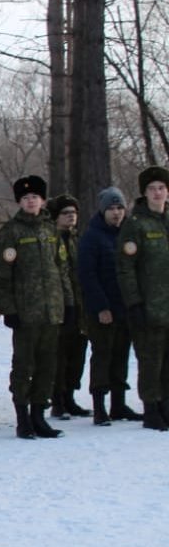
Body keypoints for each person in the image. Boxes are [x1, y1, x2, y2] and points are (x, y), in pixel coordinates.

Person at [0, 175, 72, 439]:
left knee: (47, 365)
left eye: (35, 197)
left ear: (42, 200)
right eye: (25, 198)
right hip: (26, 314)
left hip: (52, 311)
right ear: (19, 202)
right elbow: (1, 277)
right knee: (24, 366)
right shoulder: (11, 232)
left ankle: (39, 415)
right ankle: (23, 418)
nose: (30, 201)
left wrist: (68, 302)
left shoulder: (51, 230)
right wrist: (9, 309)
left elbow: (61, 269)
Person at [79, 187, 140, 425]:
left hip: (126, 306)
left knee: (121, 355)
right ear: (103, 211)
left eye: (120, 208)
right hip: (103, 309)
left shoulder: (128, 234)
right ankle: (99, 406)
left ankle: (118, 403)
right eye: (111, 209)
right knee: (102, 355)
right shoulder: (92, 237)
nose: (116, 213)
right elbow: (87, 275)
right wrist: (101, 307)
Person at [116, 165, 169, 431]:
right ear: (144, 193)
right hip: (149, 307)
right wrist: (134, 302)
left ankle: (166, 404)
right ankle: (151, 408)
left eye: (161, 188)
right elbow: (125, 268)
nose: (157, 193)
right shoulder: (136, 225)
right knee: (151, 360)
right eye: (152, 189)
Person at [48, 194, 90, 419]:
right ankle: (58, 399)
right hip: (60, 304)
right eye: (65, 213)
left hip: (79, 303)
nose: (71, 217)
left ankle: (70, 396)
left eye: (73, 213)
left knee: (77, 352)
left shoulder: (77, 238)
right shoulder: (51, 239)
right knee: (60, 354)